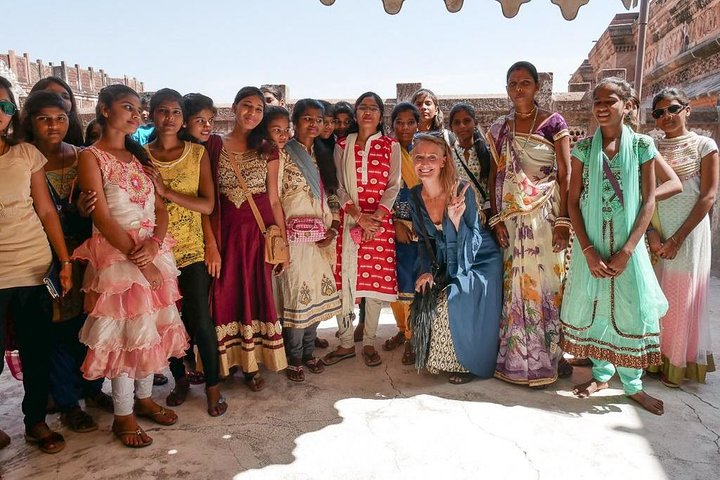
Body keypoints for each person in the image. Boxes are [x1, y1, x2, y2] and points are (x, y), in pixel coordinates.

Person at [73, 84, 189, 447]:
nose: (136, 114)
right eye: (128, 107)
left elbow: (161, 209)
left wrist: (154, 245)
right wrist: (140, 258)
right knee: (124, 337)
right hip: (118, 257)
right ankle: (122, 415)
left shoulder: (139, 158)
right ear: (104, 109)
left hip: (152, 251)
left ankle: (144, 398)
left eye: (139, 109)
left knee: (149, 331)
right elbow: (102, 217)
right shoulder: (91, 156)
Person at [560, 77, 668, 415]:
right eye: (597, 102)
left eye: (610, 101)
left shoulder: (642, 147)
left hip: (628, 246)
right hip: (590, 244)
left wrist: (627, 251)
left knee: (631, 309)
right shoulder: (582, 149)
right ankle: (602, 374)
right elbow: (573, 201)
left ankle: (633, 385)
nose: (602, 108)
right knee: (595, 305)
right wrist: (589, 250)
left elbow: (648, 201)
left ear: (629, 106)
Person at [21, 90, 112, 434]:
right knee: (57, 330)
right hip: (45, 258)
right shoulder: (24, 158)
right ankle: (68, 401)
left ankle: (92, 387)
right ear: (30, 121)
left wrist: (83, 211)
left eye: (60, 119)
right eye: (44, 119)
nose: (53, 126)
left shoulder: (81, 156)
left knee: (89, 323)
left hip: (87, 253)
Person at [487, 61, 572, 388]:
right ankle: (516, 357)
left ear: (537, 87)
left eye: (525, 83)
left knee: (549, 282)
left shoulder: (554, 122)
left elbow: (564, 172)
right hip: (511, 218)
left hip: (547, 215)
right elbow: (495, 176)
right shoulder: (499, 129)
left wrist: (564, 220)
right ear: (507, 88)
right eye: (513, 83)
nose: (518, 89)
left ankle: (551, 355)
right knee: (515, 285)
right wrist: (496, 218)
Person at [0, 76, 73, 454]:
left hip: (33, 266)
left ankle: (35, 423)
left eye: (5, 106)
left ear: (14, 114)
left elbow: (46, 210)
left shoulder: (27, 155)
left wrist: (63, 260)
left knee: (37, 349)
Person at [143, 89, 226, 416]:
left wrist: (167, 191)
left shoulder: (196, 154)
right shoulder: (141, 155)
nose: (169, 118)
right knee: (169, 322)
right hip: (157, 251)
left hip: (191, 250)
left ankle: (213, 386)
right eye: (162, 111)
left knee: (199, 319)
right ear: (151, 114)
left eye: (175, 112)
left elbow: (207, 204)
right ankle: (179, 378)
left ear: (182, 117)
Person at [204, 87, 288, 391]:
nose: (252, 113)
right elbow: (208, 198)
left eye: (258, 109)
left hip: (258, 235)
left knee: (257, 294)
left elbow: (274, 199)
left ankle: (253, 367)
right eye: (246, 106)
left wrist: (284, 247)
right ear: (234, 108)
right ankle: (226, 363)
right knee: (225, 294)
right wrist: (211, 243)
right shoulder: (214, 146)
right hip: (225, 234)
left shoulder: (268, 148)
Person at [410, 133, 503, 383]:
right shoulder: (413, 195)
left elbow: (472, 238)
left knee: (454, 299)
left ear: (443, 160)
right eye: (419, 157)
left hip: (478, 260)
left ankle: (467, 364)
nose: (425, 163)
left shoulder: (461, 190)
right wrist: (426, 270)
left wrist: (454, 221)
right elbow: (424, 242)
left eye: (432, 157)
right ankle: (438, 357)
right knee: (426, 297)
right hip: (446, 260)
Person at [322, 92, 401, 368]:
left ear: (381, 115)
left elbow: (393, 186)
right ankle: (345, 342)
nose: (368, 112)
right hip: (349, 222)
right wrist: (357, 215)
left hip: (380, 225)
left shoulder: (392, 147)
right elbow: (339, 186)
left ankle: (368, 342)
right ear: (356, 114)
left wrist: (375, 219)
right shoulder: (343, 145)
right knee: (344, 280)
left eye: (374, 108)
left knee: (374, 286)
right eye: (363, 108)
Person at [647, 87, 718, 387]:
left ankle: (675, 363)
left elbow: (708, 196)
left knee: (680, 296)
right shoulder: (651, 147)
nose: (667, 117)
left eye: (673, 109)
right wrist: (650, 231)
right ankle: (650, 359)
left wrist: (676, 239)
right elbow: (644, 193)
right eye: (659, 113)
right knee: (653, 296)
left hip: (688, 233)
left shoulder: (705, 145)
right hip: (655, 231)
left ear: (687, 110)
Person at [274, 99, 342, 381]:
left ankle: (309, 352)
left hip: (321, 235)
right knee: (296, 297)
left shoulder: (324, 153)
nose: (313, 124)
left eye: (318, 119)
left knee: (314, 294)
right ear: (295, 121)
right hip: (294, 237)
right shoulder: (283, 154)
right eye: (307, 119)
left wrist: (333, 228)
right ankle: (294, 356)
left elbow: (334, 194)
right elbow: (274, 197)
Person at [383, 103, 420, 364]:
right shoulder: (386, 152)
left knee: (412, 283)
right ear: (392, 124)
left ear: (417, 125)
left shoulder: (424, 150)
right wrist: (394, 223)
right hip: (392, 227)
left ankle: (412, 336)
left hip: (421, 228)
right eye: (400, 122)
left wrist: (422, 222)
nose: (405, 127)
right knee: (395, 283)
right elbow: (376, 191)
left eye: (410, 122)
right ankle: (401, 329)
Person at [448, 103, 492, 221]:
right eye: (457, 122)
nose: (462, 126)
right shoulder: (448, 157)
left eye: (467, 121)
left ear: (475, 123)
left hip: (485, 218)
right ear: (451, 127)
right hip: (459, 218)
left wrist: (487, 210)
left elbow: (492, 184)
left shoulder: (488, 153)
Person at [29, 76, 85, 147]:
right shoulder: (19, 151)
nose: (59, 100)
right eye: (51, 95)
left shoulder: (79, 151)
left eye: (65, 97)